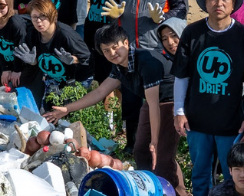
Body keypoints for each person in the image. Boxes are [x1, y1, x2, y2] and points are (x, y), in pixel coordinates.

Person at [172, 0, 244, 196]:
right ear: (205, 2)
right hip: (196, 119)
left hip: (231, 121)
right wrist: (179, 111)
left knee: (234, 174)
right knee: (200, 171)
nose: (218, 3)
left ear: (233, 4)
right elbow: (181, 76)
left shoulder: (243, 35)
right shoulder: (192, 32)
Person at [45, 28, 171, 180]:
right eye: (106, 50)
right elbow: (100, 92)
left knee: (162, 153)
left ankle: (176, 191)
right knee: (141, 151)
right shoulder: (119, 66)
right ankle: (148, 184)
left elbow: (154, 104)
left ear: (126, 43)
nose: (112, 53)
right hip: (153, 103)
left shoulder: (146, 62)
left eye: (115, 47)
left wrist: (155, 141)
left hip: (171, 102)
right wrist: (67, 109)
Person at [8, 0, 89, 105]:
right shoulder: (33, 34)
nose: (38, 21)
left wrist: (72, 60)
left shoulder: (66, 35)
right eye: (34, 17)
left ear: (53, 16)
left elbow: (87, 57)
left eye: (43, 16)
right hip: (49, 77)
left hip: (73, 79)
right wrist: (32, 62)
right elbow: (32, 61)